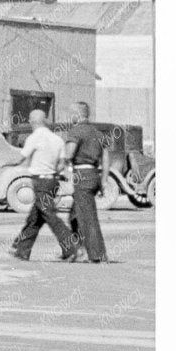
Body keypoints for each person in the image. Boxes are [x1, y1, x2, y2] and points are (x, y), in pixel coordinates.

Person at [7, 108, 78, 262]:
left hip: (40, 182)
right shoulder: (57, 139)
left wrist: (4, 163)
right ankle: (20, 249)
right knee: (35, 218)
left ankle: (71, 248)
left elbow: (21, 157)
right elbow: (61, 165)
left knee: (50, 216)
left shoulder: (34, 137)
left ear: (33, 122)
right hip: (52, 181)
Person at [60, 102, 111, 264]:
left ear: (77, 114)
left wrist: (58, 168)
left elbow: (68, 154)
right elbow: (106, 160)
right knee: (75, 215)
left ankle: (97, 255)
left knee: (88, 218)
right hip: (94, 175)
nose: (70, 116)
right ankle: (76, 250)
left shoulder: (76, 131)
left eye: (71, 113)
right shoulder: (98, 133)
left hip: (82, 176)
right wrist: (102, 182)